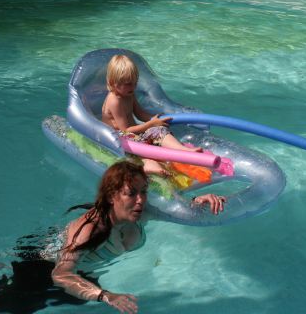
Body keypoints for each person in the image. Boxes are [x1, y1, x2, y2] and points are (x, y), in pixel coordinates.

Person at [51, 161, 226, 314]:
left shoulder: (141, 211)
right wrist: (105, 295)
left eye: (143, 191)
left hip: (89, 274)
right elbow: (61, 274)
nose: (140, 200)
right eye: (131, 193)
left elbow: (176, 211)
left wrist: (198, 201)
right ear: (111, 196)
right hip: (46, 270)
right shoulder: (90, 230)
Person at [102, 54, 204, 176]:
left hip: (134, 134)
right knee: (141, 149)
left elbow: (140, 114)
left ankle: (183, 150)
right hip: (121, 140)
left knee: (159, 129)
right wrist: (151, 124)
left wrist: (156, 119)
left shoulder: (129, 93)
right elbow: (125, 130)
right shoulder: (115, 101)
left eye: (135, 83)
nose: (133, 87)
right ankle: (150, 166)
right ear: (113, 83)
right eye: (128, 83)